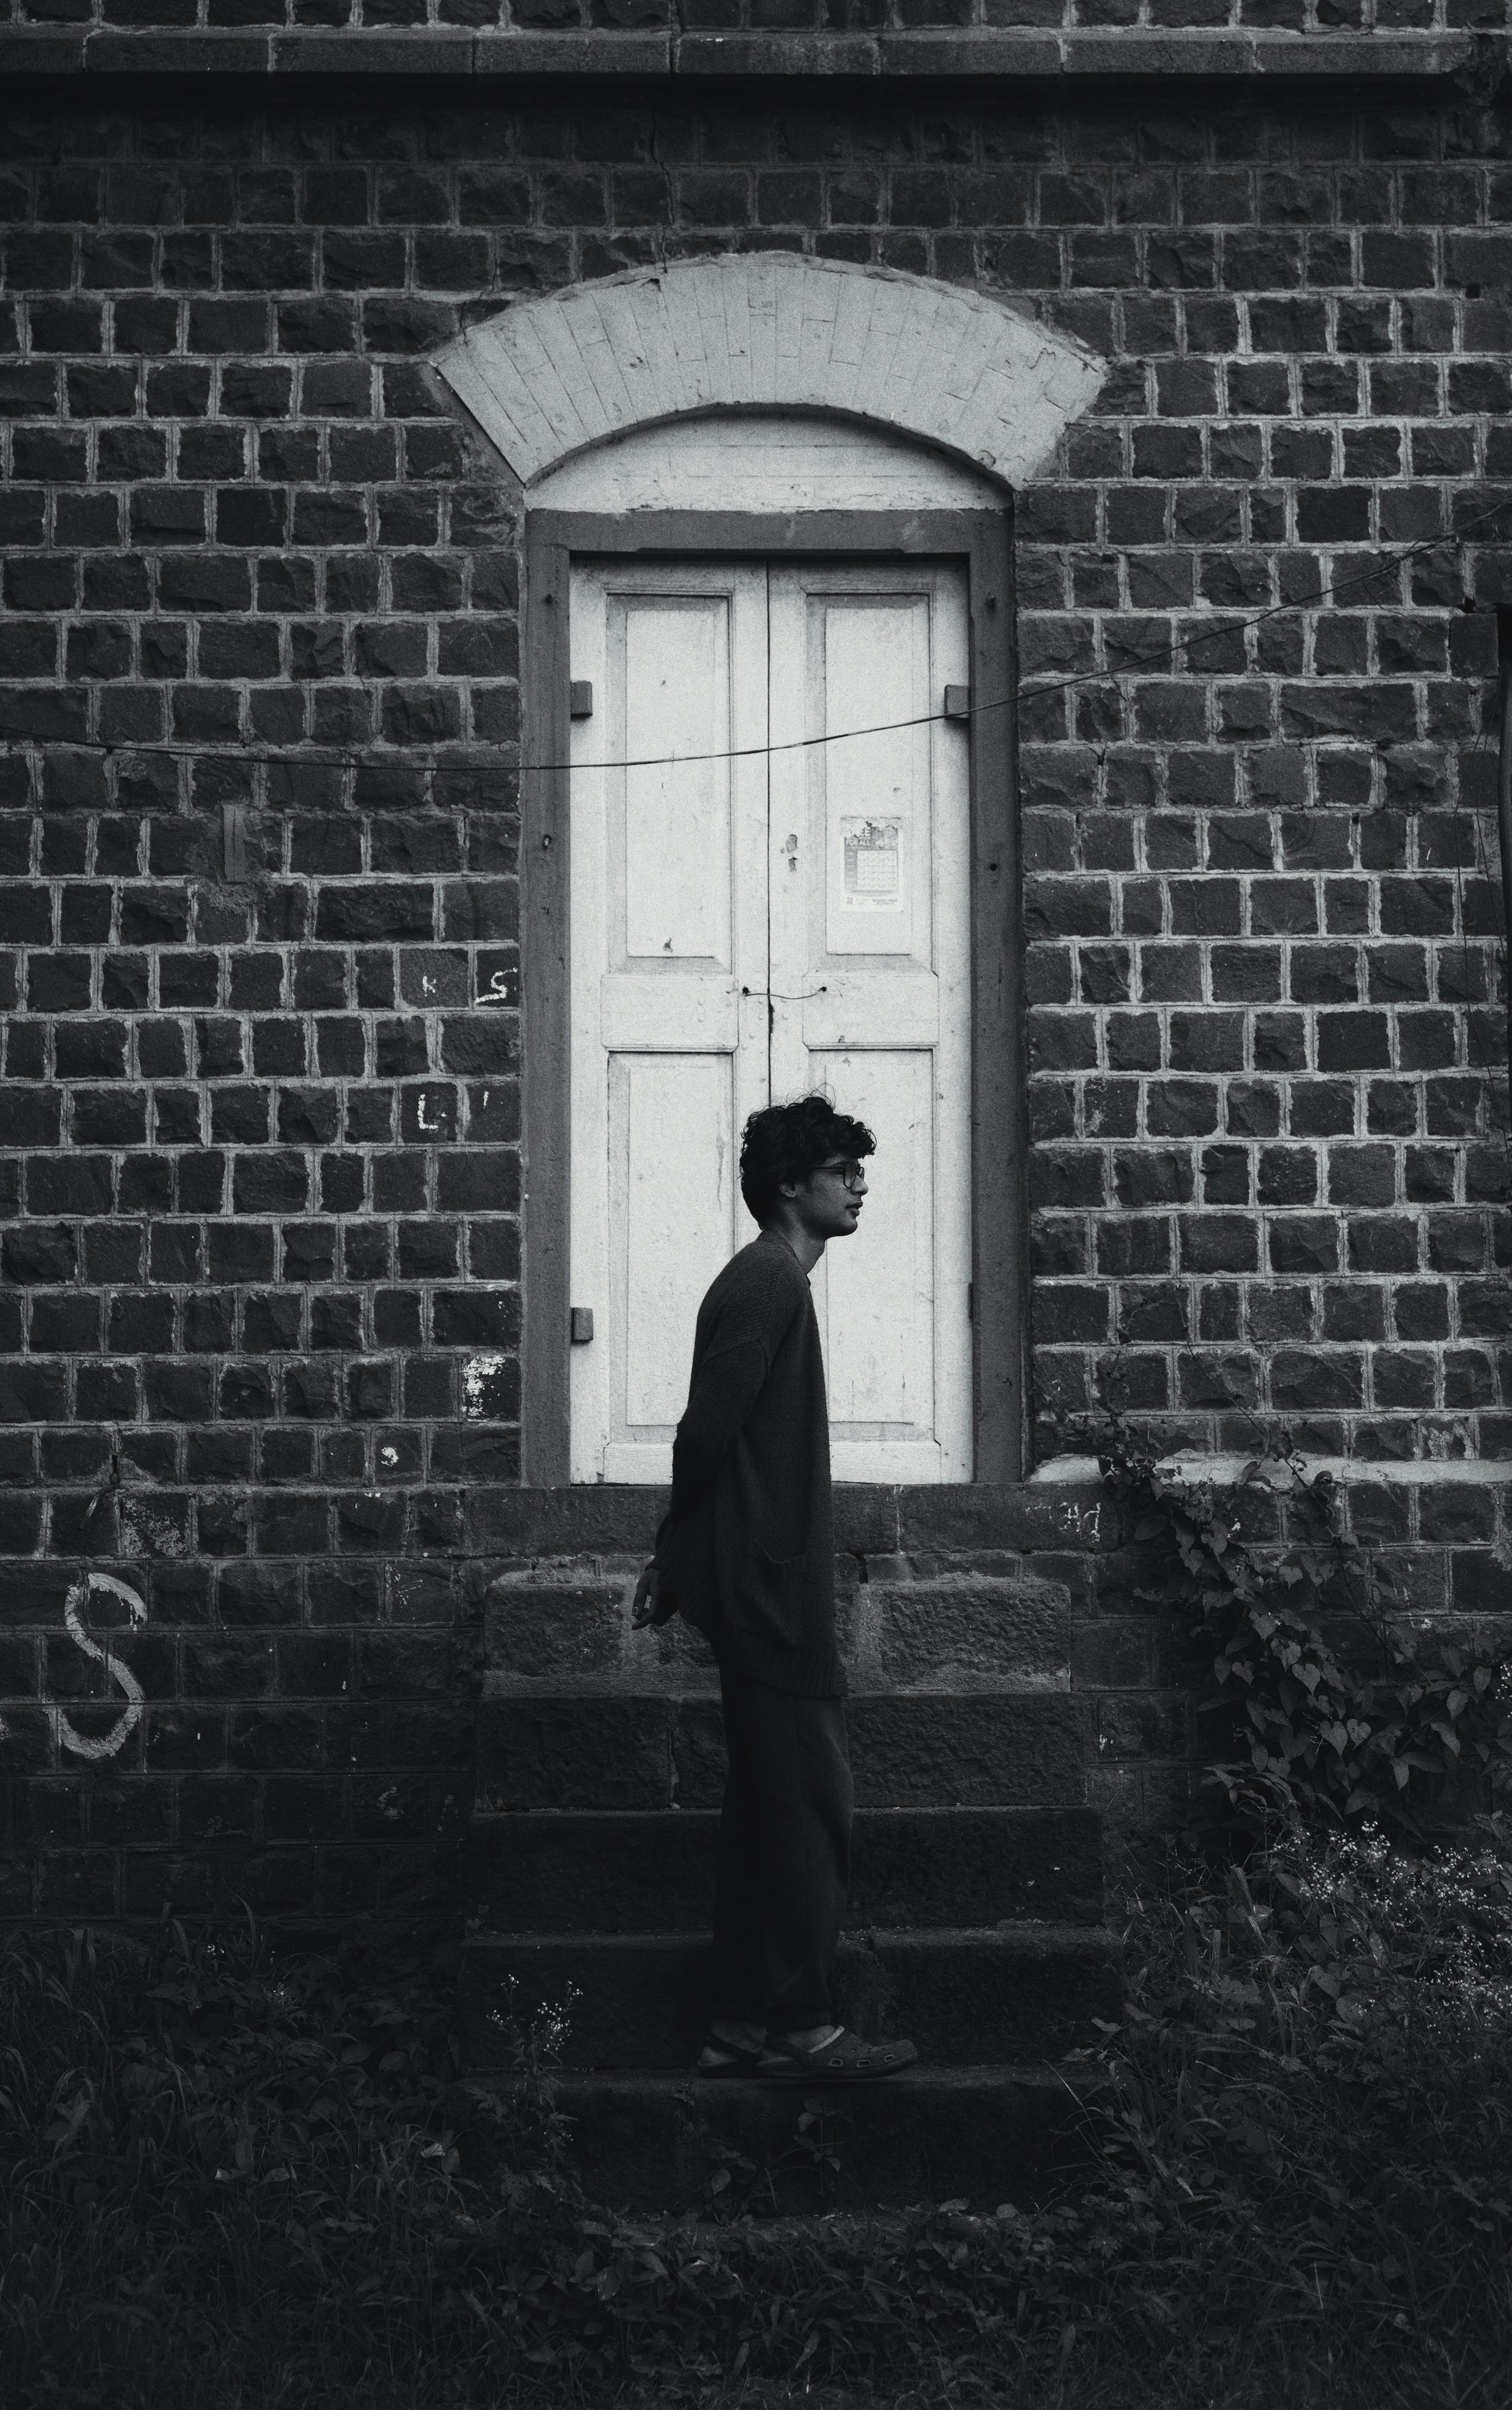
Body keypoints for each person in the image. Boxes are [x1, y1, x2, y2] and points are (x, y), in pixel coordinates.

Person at [632, 1094, 918, 2084]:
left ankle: (737, 2027)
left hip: (761, 1576)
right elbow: (702, 1431)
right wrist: (673, 1552)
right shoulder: (766, 1282)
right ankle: (798, 2024)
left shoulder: (771, 1282)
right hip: (768, 1588)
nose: (860, 1185)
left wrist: (677, 1557)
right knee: (808, 1807)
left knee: (765, 1811)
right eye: (843, 1169)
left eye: (858, 1170)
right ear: (791, 1185)